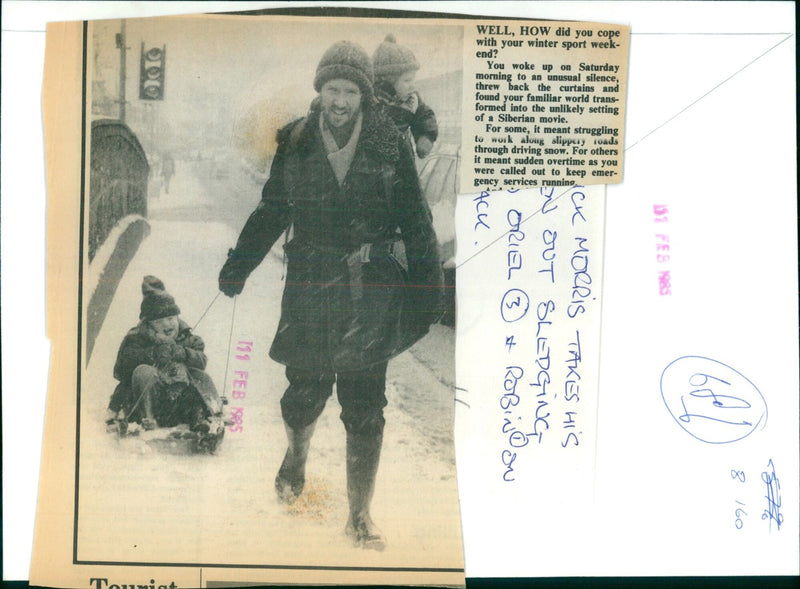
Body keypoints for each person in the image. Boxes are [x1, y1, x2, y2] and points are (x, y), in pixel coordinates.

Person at [218, 40, 444, 550]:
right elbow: (272, 210)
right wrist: (239, 265)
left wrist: (430, 291)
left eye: (349, 91)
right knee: (303, 394)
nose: (340, 100)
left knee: (365, 403)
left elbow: (417, 220)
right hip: (310, 285)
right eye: (331, 89)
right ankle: (296, 455)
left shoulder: (391, 141)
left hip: (371, 289)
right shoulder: (297, 139)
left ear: (363, 94)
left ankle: (359, 513)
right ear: (320, 90)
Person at [107, 276, 223, 436]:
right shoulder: (136, 337)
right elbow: (123, 366)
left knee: (199, 377)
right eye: (160, 321)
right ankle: (146, 422)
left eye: (171, 319)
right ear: (149, 324)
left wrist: (184, 353)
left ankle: (207, 421)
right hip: (146, 402)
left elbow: (201, 360)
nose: (168, 325)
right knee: (143, 372)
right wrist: (152, 354)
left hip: (178, 402)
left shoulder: (185, 337)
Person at [372, 34, 438, 158]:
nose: (412, 86)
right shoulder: (372, 101)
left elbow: (424, 115)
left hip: (404, 160)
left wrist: (426, 137)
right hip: (375, 163)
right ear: (386, 81)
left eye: (413, 80)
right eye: (407, 80)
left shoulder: (411, 99)